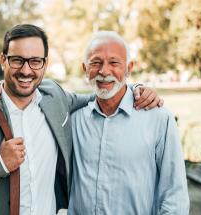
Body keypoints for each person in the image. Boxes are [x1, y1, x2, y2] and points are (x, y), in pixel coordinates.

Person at [0, 24, 161, 214]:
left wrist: (136, 89)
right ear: (3, 60)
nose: (26, 70)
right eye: (16, 60)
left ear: (45, 64)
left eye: (35, 61)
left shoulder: (55, 97)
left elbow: (102, 92)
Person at [68, 31, 189, 214]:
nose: (104, 71)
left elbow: (175, 195)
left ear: (129, 68)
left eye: (114, 62)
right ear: (85, 68)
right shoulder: (74, 121)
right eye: (96, 63)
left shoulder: (159, 119)